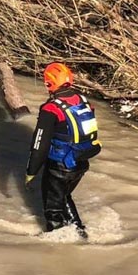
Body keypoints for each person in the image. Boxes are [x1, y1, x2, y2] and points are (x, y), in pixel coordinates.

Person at [25, 62, 102, 236]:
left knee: (53, 211)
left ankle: (58, 248)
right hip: (81, 162)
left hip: (59, 166)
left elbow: (39, 144)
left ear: (49, 83)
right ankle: (81, 233)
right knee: (64, 196)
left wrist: (31, 172)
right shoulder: (83, 100)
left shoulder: (51, 108)